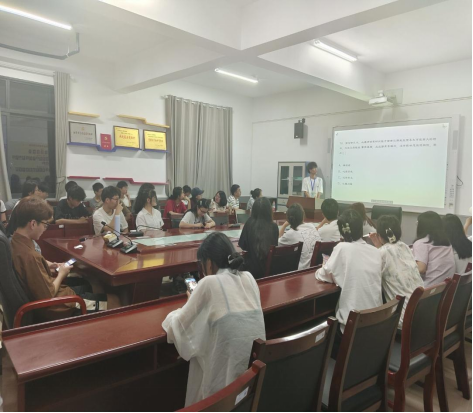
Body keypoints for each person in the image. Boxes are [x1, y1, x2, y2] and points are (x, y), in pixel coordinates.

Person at [163, 232, 266, 407]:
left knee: (199, 351)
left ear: (209, 263)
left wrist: (185, 306)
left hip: (222, 397)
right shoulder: (249, 279)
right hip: (250, 390)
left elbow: (177, 329)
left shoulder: (209, 283)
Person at [10, 197, 99, 322]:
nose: (45, 229)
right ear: (33, 224)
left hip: (54, 295)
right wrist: (62, 273)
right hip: (57, 307)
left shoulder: (14, 242)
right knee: (113, 300)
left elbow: (33, 271)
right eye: (45, 225)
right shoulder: (30, 256)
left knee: (92, 285)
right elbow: (48, 295)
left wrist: (48, 265)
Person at [316, 210, 383, 338]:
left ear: (342, 231)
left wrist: (323, 267)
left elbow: (323, 275)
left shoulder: (342, 247)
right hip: (375, 324)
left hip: (351, 329)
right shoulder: (375, 251)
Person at [369, 216, 423, 328]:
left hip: (403, 318)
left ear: (379, 235)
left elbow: (371, 279)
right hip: (420, 313)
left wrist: (379, 248)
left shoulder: (382, 253)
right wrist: (380, 246)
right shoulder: (405, 247)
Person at [413, 211, 456, 288]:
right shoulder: (446, 243)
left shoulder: (421, 243)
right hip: (443, 288)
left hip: (428, 289)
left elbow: (421, 269)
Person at [239, 198, 279, 279]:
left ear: (253, 211)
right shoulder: (274, 226)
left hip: (251, 273)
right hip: (270, 271)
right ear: (269, 211)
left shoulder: (249, 223)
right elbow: (274, 246)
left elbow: (242, 245)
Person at [279, 203, 322, 270]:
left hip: (302, 270)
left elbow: (278, 243)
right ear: (303, 216)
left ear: (289, 219)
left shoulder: (291, 233)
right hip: (317, 268)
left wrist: (284, 225)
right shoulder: (311, 226)